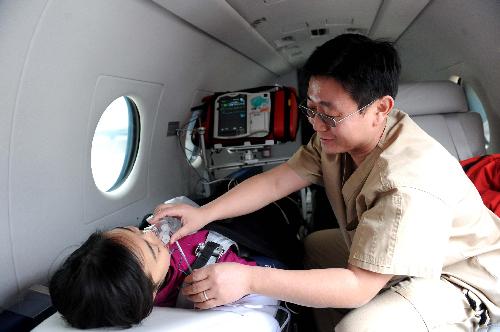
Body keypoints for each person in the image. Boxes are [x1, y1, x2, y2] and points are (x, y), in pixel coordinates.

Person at [150, 33, 500, 331]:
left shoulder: (407, 181)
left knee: (357, 328)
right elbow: (276, 182)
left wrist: (248, 279)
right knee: (316, 246)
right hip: (407, 253)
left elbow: (359, 286)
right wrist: (204, 214)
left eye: (330, 115)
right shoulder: (337, 138)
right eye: (311, 109)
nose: (316, 125)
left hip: (458, 274)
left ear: (381, 108)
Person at [49, 224, 257, 329]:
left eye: (137, 230)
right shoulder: (203, 282)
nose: (151, 234)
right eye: (153, 248)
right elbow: (251, 275)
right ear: (152, 292)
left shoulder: (143, 266)